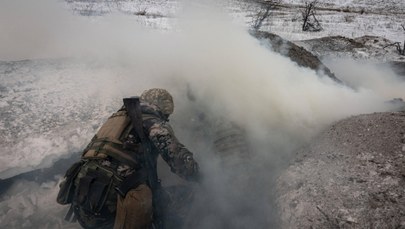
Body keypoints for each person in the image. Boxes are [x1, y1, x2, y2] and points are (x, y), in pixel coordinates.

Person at [57, 88, 200, 229]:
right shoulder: (153, 122)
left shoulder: (117, 119)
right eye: (166, 115)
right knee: (169, 212)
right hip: (112, 205)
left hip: (83, 199)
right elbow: (181, 162)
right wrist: (202, 177)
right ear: (162, 108)